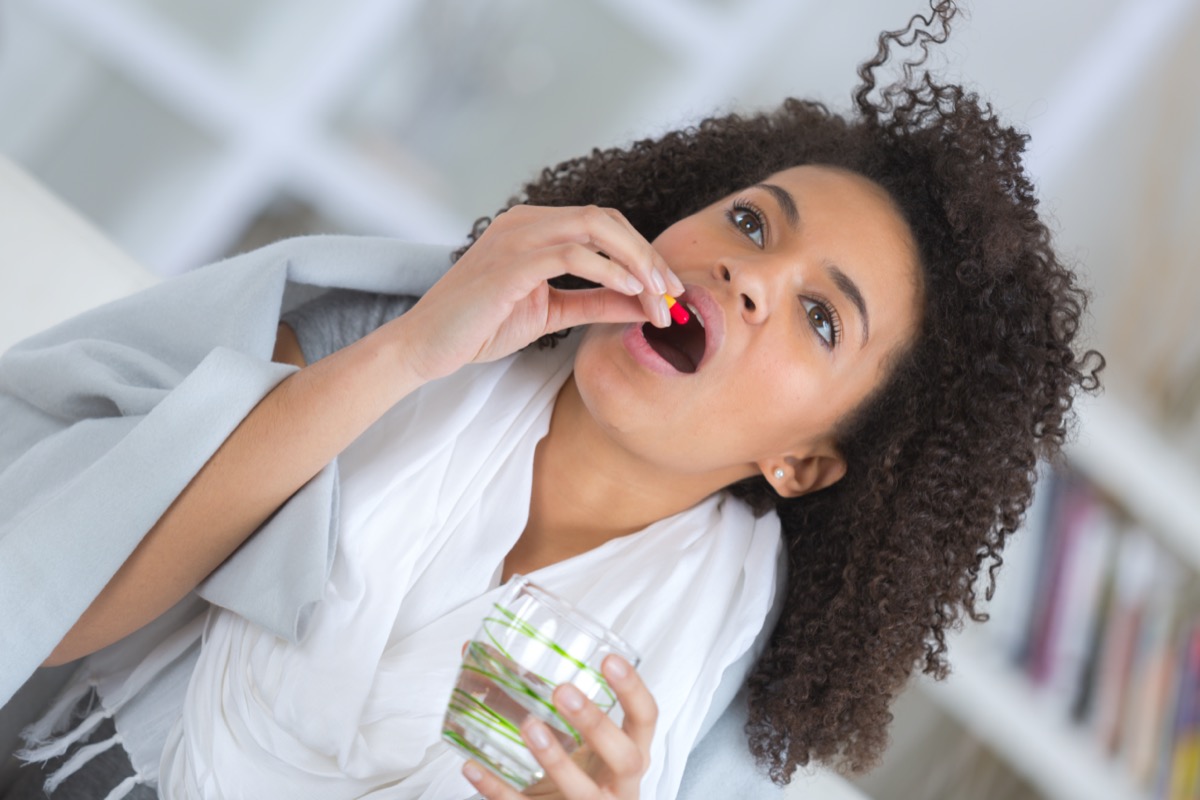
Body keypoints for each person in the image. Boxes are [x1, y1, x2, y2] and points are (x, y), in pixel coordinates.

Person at [1, 1, 1103, 798]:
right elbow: (51, 614)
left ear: (805, 462)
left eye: (823, 318)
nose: (752, 273)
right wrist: (405, 358)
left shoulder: (711, 699)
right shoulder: (369, 339)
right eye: (754, 222)